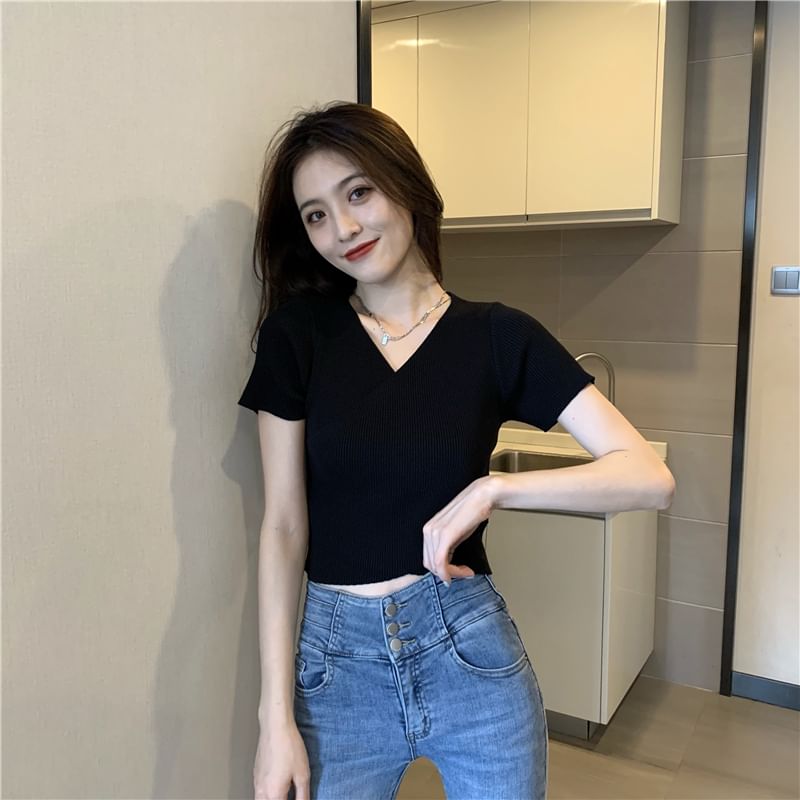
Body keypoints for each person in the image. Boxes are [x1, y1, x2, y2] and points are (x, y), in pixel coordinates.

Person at [238, 100, 675, 800]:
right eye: (316, 214)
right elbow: (285, 528)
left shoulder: (498, 336)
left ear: (406, 185)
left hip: (467, 652)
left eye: (359, 193)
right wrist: (274, 719)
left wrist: (494, 489)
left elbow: (650, 476)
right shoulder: (299, 338)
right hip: (334, 669)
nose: (342, 228)